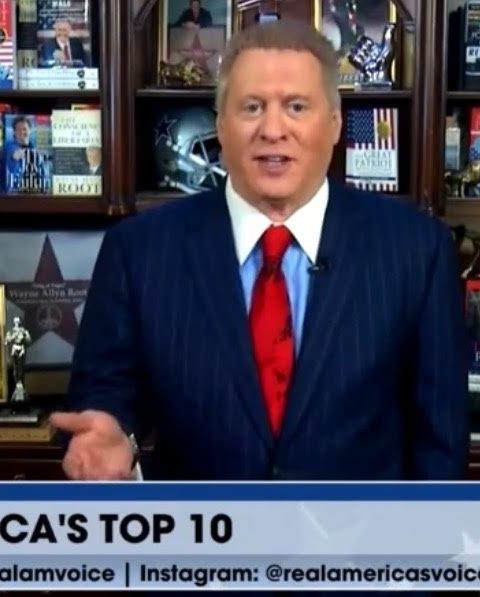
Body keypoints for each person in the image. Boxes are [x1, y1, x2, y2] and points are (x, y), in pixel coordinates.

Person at [50, 21, 469, 481]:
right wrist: (111, 441)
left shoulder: (416, 251)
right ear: (221, 125)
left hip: (361, 530)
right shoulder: (139, 252)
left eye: (296, 106)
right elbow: (102, 405)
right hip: (201, 528)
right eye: (252, 107)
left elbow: (440, 445)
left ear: (334, 123)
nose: (272, 129)